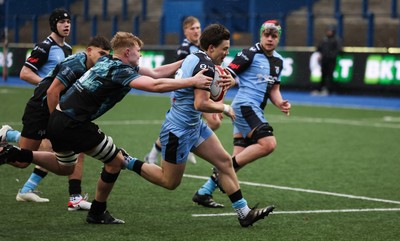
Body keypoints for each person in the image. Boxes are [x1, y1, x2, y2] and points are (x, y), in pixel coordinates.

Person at [0, 31, 213, 224]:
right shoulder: (119, 70)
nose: (140, 56)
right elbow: (154, 86)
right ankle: (97, 212)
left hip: (59, 118)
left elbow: (156, 74)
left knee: (64, 167)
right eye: (138, 52)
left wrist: (183, 62)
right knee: (116, 162)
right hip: (75, 124)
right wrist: (191, 81)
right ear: (128, 52)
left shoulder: (108, 62)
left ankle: (14, 153)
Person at [128, 24, 273, 227]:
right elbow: (201, 103)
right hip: (177, 130)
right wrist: (225, 107)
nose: (226, 53)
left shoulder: (195, 55)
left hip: (194, 126)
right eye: (224, 48)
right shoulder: (205, 67)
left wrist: (222, 83)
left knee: (224, 161)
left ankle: (244, 213)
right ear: (212, 48)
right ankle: (126, 160)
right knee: (169, 182)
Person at [1, 36, 112, 211]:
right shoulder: (75, 63)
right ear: (89, 50)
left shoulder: (94, 67)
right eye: (101, 53)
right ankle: (5, 145)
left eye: (107, 55)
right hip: (40, 108)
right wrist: (57, 122)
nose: (104, 58)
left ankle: (74, 198)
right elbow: (53, 92)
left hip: (58, 112)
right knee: (22, 161)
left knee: (78, 150)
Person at [192, 20, 291, 209]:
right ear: (261, 35)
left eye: (274, 36)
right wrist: (218, 104)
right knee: (268, 144)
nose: (270, 39)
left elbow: (274, 88)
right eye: (266, 35)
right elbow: (224, 76)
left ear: (278, 38)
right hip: (246, 106)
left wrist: (280, 103)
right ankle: (220, 172)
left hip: (251, 110)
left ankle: (204, 192)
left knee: (237, 159)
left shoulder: (278, 60)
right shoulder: (249, 54)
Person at [145, 16, 224, 165]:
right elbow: (181, 73)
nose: (196, 31)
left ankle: (164, 150)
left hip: (198, 90)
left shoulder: (204, 47)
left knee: (213, 122)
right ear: (185, 31)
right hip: (186, 93)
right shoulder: (185, 50)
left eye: (198, 28)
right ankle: (158, 152)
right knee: (209, 122)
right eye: (192, 28)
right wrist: (220, 105)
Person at [16, 8, 74, 203]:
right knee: (23, 160)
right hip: (40, 107)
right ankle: (8, 137)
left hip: (56, 106)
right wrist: (47, 83)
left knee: (56, 150)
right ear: (53, 25)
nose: (66, 25)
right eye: (61, 22)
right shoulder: (44, 47)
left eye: (68, 22)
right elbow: (25, 73)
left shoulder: (68, 49)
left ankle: (28, 189)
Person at [314, 24, 342, 96]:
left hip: (331, 60)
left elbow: (338, 50)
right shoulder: (325, 39)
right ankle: (320, 89)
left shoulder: (336, 40)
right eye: (328, 31)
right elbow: (319, 48)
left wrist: (331, 55)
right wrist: (320, 54)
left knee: (330, 75)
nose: (329, 32)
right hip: (324, 60)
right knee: (323, 75)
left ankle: (329, 90)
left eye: (330, 31)